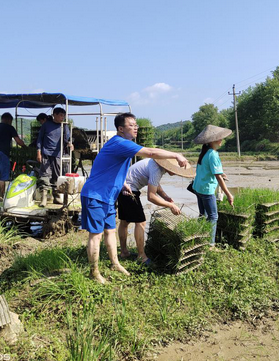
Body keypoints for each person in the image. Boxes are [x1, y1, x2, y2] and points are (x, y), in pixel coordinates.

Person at [80, 112, 188, 284]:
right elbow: (151, 152)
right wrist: (176, 155)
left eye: (136, 124)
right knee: (96, 234)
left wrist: (122, 183)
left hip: (109, 196)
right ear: (121, 129)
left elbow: (109, 167)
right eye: (132, 125)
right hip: (96, 195)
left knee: (110, 231)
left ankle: (115, 263)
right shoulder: (120, 143)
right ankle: (94, 272)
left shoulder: (123, 145)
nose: (136, 127)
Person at [118, 158, 195, 265]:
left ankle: (124, 252)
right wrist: (170, 205)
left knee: (124, 222)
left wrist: (166, 197)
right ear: (170, 167)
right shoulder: (157, 170)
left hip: (121, 187)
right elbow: (151, 197)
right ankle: (141, 256)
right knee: (140, 222)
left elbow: (155, 184)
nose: (176, 173)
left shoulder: (156, 166)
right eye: (176, 170)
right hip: (129, 190)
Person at [192, 125, 234, 247]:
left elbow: (210, 170)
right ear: (212, 141)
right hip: (206, 190)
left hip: (198, 188)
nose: (221, 140)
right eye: (219, 138)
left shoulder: (204, 152)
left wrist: (221, 173)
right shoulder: (213, 154)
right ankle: (210, 245)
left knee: (202, 214)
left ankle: (199, 237)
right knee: (213, 216)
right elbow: (218, 178)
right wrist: (229, 194)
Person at [36, 107, 74, 206]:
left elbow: (68, 138)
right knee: (45, 175)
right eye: (61, 115)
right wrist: (39, 152)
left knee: (56, 176)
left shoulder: (64, 126)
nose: (62, 117)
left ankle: (56, 197)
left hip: (58, 154)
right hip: (46, 153)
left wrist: (70, 144)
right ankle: (44, 198)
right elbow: (39, 139)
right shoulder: (46, 125)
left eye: (64, 115)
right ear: (55, 115)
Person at [0, 112, 26, 202]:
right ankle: (0, 197)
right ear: (9, 120)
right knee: (3, 176)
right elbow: (18, 141)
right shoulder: (9, 127)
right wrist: (25, 147)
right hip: (2, 153)